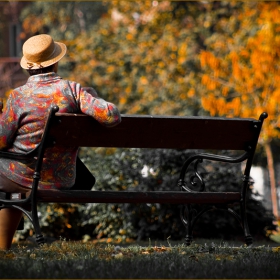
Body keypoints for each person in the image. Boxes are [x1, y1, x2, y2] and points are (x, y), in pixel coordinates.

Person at [0, 34, 121, 250]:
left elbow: (1, 142)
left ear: (28, 67)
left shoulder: (18, 97)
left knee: (8, 180)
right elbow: (112, 116)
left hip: (22, 177)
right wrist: (93, 96)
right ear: (55, 62)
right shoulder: (72, 91)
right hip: (62, 178)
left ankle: (3, 246)